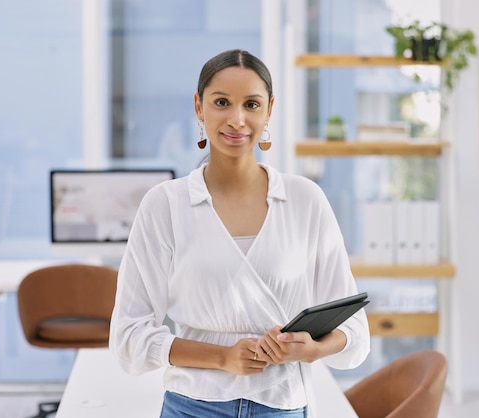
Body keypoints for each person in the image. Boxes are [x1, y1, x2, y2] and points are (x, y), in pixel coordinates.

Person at [109, 49, 370, 418]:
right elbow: (128, 337)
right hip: (192, 406)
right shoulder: (164, 204)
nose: (237, 119)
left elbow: (354, 328)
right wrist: (223, 357)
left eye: (251, 104)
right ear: (199, 108)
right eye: (221, 103)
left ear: (269, 110)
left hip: (282, 406)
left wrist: (310, 349)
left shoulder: (304, 199)